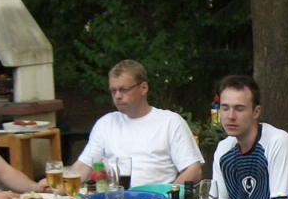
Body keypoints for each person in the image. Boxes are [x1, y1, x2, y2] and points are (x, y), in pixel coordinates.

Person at [71, 60, 203, 186]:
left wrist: (168, 196)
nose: (117, 96)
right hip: (115, 198)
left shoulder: (170, 122)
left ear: (143, 88)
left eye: (124, 89)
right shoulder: (106, 123)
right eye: (113, 91)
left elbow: (194, 171)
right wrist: (60, 186)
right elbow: (83, 167)